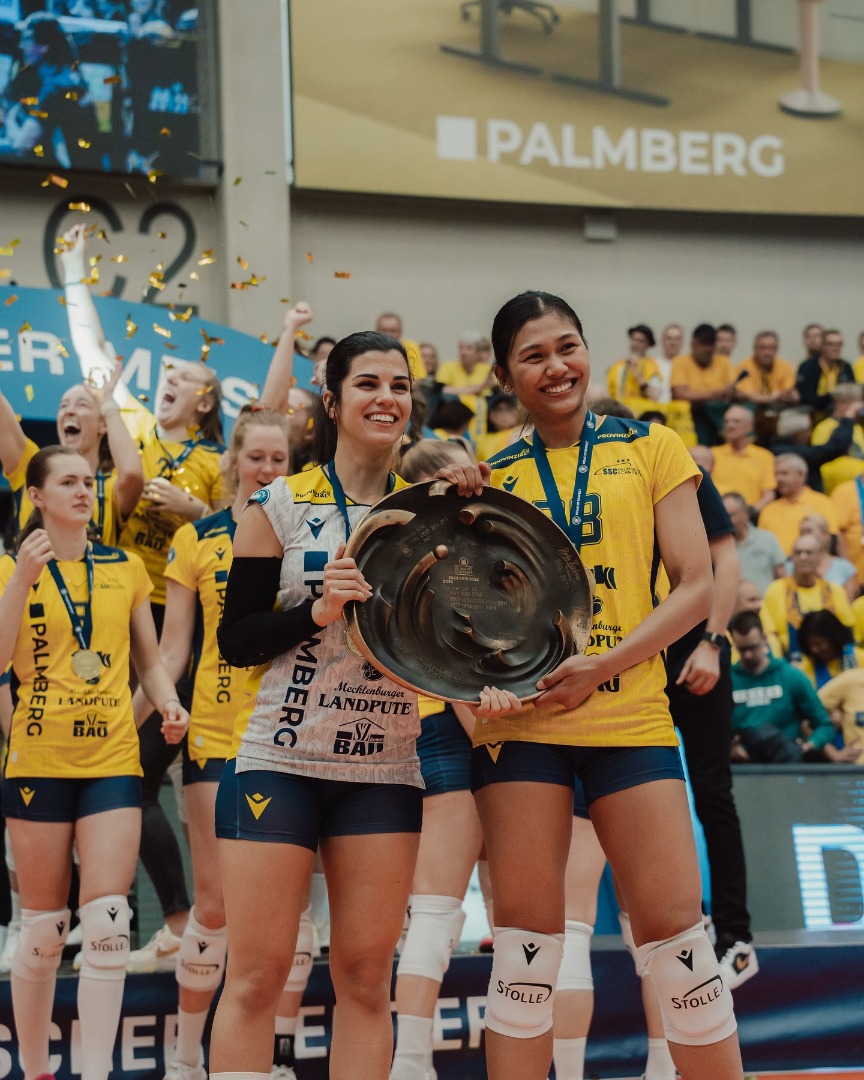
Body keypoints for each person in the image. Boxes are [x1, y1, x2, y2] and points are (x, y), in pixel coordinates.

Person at [438, 291, 742, 1080]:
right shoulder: (489, 477)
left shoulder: (653, 446)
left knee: (679, 941)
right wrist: (479, 689)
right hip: (523, 731)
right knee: (526, 949)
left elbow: (696, 586)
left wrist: (601, 668)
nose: (556, 366)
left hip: (629, 717)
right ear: (504, 376)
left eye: (566, 346)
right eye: (533, 356)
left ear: (586, 349)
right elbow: (459, 620)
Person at [210, 331, 424, 1080]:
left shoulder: (427, 509)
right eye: (368, 384)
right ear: (332, 403)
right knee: (257, 977)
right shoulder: (278, 503)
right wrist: (316, 612)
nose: (386, 398)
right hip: (282, 763)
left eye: (399, 386)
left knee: (365, 980)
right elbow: (236, 640)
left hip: (383, 771)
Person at [60, 224, 227, 969]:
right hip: (116, 618)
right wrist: (74, 271)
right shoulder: (130, 428)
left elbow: (248, 528)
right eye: (167, 375)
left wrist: (197, 511)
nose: (169, 382)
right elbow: (91, 351)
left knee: (147, 773)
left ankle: (189, 920)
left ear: (207, 400)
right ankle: (132, 921)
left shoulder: (217, 461)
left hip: (180, 625)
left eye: (184, 378)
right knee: (116, 772)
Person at [132, 407, 314, 1080]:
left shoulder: (308, 532)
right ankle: (186, 1060)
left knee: (287, 911)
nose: (266, 468)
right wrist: (147, 712)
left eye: (278, 459)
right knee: (213, 906)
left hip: (292, 733)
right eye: (256, 457)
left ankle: (278, 1057)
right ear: (233, 459)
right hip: (214, 733)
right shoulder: (197, 538)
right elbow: (172, 650)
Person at [0, 445, 188, 1080]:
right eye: (68, 482)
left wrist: (168, 703)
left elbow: (150, 661)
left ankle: (98, 1073)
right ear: (36, 496)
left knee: (108, 923)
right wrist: (21, 579)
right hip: (39, 758)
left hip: (111, 756)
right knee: (44, 929)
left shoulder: (125, 566)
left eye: (89, 481)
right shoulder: (9, 570)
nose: (85, 491)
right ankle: (36, 1071)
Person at [390, 439, 483, 1080]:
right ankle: (410, 1063)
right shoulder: (452, 555)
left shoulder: (395, 546)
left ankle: (410, 1061)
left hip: (414, 732)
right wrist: (496, 741)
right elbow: (456, 672)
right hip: (458, 732)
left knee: (434, 912)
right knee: (439, 910)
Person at [729, 611, 837, 763]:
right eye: (742, 649)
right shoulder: (728, 680)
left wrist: (809, 745)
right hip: (744, 765)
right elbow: (713, 730)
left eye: (753, 647)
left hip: (786, 764)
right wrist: (729, 748)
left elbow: (824, 724)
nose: (748, 655)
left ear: (764, 639)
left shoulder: (791, 676)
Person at [760, 534, 854, 661]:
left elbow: (847, 631)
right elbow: (770, 635)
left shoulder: (835, 591)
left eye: (809, 553)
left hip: (832, 662)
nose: (803, 557)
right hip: (790, 662)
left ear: (820, 556)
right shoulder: (775, 590)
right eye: (798, 553)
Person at [757, 454, 838, 556]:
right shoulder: (768, 509)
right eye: (776, 474)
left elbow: (831, 540)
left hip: (808, 562)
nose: (778, 479)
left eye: (784, 473)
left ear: (801, 475)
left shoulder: (822, 503)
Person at [769, 402, 858, 494]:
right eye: (809, 429)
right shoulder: (793, 452)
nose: (811, 433)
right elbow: (833, 448)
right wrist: (847, 419)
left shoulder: (774, 447)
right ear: (800, 433)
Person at [670, 324, 736, 445]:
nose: (707, 349)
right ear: (693, 344)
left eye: (711, 344)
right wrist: (714, 394)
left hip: (720, 413)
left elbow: (733, 390)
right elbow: (680, 394)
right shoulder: (680, 362)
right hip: (693, 416)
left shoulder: (724, 362)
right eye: (703, 344)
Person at [710, 405, 776, 513]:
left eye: (736, 421)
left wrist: (750, 512)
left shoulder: (764, 456)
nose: (730, 425)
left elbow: (769, 495)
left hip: (751, 516)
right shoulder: (711, 454)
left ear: (750, 426)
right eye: (726, 421)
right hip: (718, 515)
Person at [783, 515, 858, 603]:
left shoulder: (844, 568)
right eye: (801, 532)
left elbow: (848, 604)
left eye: (809, 531)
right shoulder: (790, 566)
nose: (804, 536)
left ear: (825, 535)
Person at [722, 493, 785, 596]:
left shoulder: (767, 539)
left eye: (731, 515)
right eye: (723, 516)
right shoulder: (719, 547)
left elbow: (781, 576)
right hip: (734, 606)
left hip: (767, 604)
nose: (726, 520)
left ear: (745, 514)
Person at [809, 383, 864, 494]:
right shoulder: (824, 427)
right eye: (854, 402)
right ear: (839, 402)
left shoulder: (857, 427)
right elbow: (820, 458)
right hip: (835, 486)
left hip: (858, 486)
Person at [797, 610, 864, 690]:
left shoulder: (859, 658)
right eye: (810, 645)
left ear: (833, 638)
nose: (814, 650)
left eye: (818, 644)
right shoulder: (808, 667)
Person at [794, 329, 855, 415]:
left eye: (839, 344)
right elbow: (805, 397)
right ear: (822, 346)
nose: (836, 348)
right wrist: (832, 396)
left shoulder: (845, 366)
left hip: (841, 411)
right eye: (831, 344)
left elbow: (851, 392)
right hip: (812, 410)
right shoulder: (808, 367)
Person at [733, 332, 797, 411]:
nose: (767, 352)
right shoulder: (744, 367)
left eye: (771, 348)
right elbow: (746, 395)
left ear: (777, 350)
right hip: (751, 407)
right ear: (755, 349)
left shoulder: (785, 366)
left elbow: (789, 392)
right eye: (762, 348)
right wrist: (776, 397)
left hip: (779, 407)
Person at [605, 324, 661, 403]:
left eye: (640, 341)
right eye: (633, 339)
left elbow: (654, 397)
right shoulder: (616, 366)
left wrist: (637, 372)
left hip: (641, 409)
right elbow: (608, 394)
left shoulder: (653, 365)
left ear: (648, 344)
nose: (635, 344)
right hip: (618, 409)